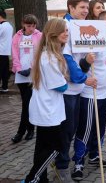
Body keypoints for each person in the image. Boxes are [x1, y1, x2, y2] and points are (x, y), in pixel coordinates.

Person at [71, 11, 106, 181]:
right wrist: (86, 61)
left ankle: (94, 155)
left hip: (105, 94)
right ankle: (78, 162)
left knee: (101, 127)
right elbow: (77, 68)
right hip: (90, 94)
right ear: (99, 23)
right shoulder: (86, 42)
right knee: (86, 128)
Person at [55, 0, 97, 182]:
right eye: (81, 7)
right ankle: (61, 166)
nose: (85, 11)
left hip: (78, 89)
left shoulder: (80, 27)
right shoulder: (65, 27)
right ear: (71, 8)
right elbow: (67, 58)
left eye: (87, 8)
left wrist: (87, 64)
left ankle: (62, 161)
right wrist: (82, 77)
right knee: (66, 131)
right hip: (67, 91)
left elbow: (81, 60)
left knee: (73, 129)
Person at [23, 18, 69, 183]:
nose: (66, 34)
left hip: (45, 107)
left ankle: (40, 178)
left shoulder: (46, 54)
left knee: (42, 146)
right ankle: (32, 178)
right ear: (53, 33)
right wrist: (66, 80)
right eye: (63, 30)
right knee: (55, 147)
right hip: (48, 110)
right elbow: (61, 86)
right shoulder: (49, 58)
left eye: (67, 31)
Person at [11, 14, 42, 143]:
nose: (31, 28)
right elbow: (14, 53)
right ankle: (30, 129)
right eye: (29, 25)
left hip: (32, 73)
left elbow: (39, 53)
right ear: (23, 24)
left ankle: (21, 132)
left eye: (33, 25)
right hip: (21, 73)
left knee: (27, 103)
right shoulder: (17, 36)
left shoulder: (39, 35)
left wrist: (31, 68)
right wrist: (18, 69)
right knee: (26, 103)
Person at [0, 10, 13, 93]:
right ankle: (5, 87)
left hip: (0, 51)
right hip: (6, 52)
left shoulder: (1, 26)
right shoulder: (9, 26)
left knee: (1, 71)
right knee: (4, 71)